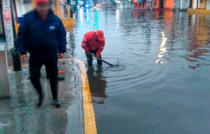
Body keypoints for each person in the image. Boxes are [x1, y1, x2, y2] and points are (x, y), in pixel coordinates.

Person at [17, 0, 66, 108]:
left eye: (44, 5)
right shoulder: (28, 19)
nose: (42, 8)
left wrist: (62, 50)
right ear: (37, 6)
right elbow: (21, 35)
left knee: (53, 77)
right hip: (35, 55)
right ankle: (41, 95)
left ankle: (55, 98)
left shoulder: (55, 20)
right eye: (40, 5)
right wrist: (22, 51)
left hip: (51, 54)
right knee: (33, 77)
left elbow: (61, 34)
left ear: (48, 6)